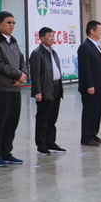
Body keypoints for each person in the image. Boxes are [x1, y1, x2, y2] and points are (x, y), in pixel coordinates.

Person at [0, 11, 28, 167]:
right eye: (8, 22)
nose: (12, 25)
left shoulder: (13, 42)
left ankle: (6, 153)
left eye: (13, 22)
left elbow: (22, 60)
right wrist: (18, 75)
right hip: (0, 89)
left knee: (11, 123)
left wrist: (23, 75)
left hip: (14, 89)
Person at [28, 27, 66, 155]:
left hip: (56, 87)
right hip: (45, 89)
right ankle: (41, 146)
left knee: (52, 118)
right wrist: (37, 91)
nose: (52, 38)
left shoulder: (53, 52)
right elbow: (35, 75)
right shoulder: (37, 53)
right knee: (43, 119)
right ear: (42, 38)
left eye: (53, 36)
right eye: (49, 36)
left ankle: (51, 143)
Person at [77, 20, 101, 147]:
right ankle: (87, 137)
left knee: (97, 111)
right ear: (92, 31)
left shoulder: (96, 45)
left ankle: (93, 134)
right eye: (99, 29)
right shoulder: (85, 46)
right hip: (92, 86)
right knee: (90, 112)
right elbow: (85, 68)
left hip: (100, 85)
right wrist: (89, 85)